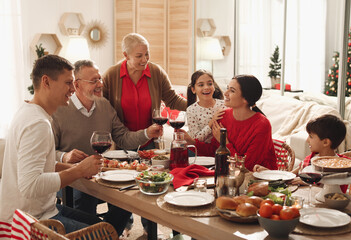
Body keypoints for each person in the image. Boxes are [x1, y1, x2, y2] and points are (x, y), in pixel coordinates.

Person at [51, 60, 163, 236]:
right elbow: (47, 153)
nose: (99, 84)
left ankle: (107, 235)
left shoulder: (104, 105)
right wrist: (64, 156)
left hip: (100, 172)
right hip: (70, 176)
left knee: (129, 198)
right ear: (77, 84)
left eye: (99, 79)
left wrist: (147, 133)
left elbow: (123, 138)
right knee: (85, 198)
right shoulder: (59, 109)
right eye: (93, 81)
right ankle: (91, 235)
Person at [0, 55, 103, 234]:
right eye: (68, 83)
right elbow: (30, 185)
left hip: (34, 212)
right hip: (28, 222)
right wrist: (79, 171)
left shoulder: (29, 112)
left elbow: (39, 166)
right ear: (46, 82)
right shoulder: (37, 124)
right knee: (106, 234)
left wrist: (77, 167)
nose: (73, 89)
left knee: (96, 222)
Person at [102, 32, 187, 234]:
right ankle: (122, 227)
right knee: (122, 192)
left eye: (147, 54)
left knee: (152, 187)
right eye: (139, 56)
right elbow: (102, 105)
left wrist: (199, 103)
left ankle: (151, 230)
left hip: (151, 141)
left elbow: (174, 100)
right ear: (126, 55)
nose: (145, 60)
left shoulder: (155, 72)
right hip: (121, 141)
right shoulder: (112, 75)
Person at [182, 74, 277, 171]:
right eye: (227, 88)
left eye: (232, 91)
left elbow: (247, 165)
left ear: (245, 99)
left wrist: (225, 143)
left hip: (260, 179)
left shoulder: (262, 125)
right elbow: (213, 151)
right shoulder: (223, 115)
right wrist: (192, 142)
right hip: (230, 173)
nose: (225, 93)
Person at [254, 114, 349, 189]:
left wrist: (309, 182)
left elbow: (331, 189)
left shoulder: (340, 167)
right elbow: (289, 176)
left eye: (311, 137)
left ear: (325, 142)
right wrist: (268, 173)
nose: (307, 140)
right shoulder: (309, 159)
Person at [186, 69, 227, 143]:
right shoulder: (191, 110)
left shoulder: (224, 105)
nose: (206, 87)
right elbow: (195, 140)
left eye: (210, 84)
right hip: (201, 151)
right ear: (193, 89)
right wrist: (211, 122)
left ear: (214, 86)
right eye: (201, 85)